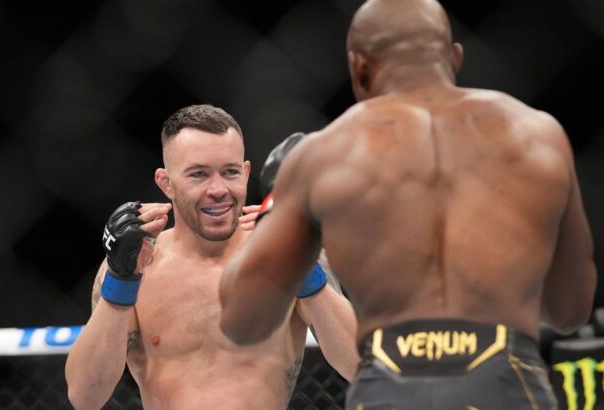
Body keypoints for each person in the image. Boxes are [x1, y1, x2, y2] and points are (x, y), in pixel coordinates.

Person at [218, 0, 598, 408]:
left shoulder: (323, 156)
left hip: (393, 383)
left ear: (358, 67)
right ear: (455, 56)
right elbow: (570, 310)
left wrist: (279, 211)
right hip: (505, 380)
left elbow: (242, 319)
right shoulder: (537, 136)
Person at [65, 104, 358, 410]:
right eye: (198, 174)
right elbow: (85, 397)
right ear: (166, 183)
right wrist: (121, 278)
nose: (218, 189)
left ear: (246, 173)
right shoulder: (138, 265)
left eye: (230, 172)